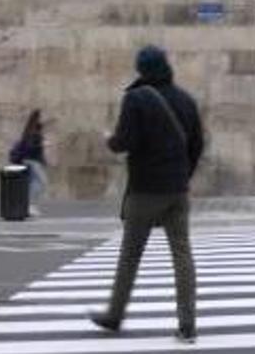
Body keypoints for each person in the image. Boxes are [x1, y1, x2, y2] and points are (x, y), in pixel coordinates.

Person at [88, 45, 205, 344]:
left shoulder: (136, 99)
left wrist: (108, 140)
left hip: (145, 190)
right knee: (182, 254)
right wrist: (183, 174)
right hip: (177, 191)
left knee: (130, 255)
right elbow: (198, 144)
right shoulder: (186, 100)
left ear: (142, 70)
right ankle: (187, 324)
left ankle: (114, 315)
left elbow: (124, 142)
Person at [9, 109, 48, 218]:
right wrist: (41, 144)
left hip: (32, 161)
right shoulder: (33, 132)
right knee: (40, 183)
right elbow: (30, 147)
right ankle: (30, 205)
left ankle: (29, 205)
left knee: (35, 183)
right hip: (32, 161)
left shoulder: (32, 131)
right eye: (42, 116)